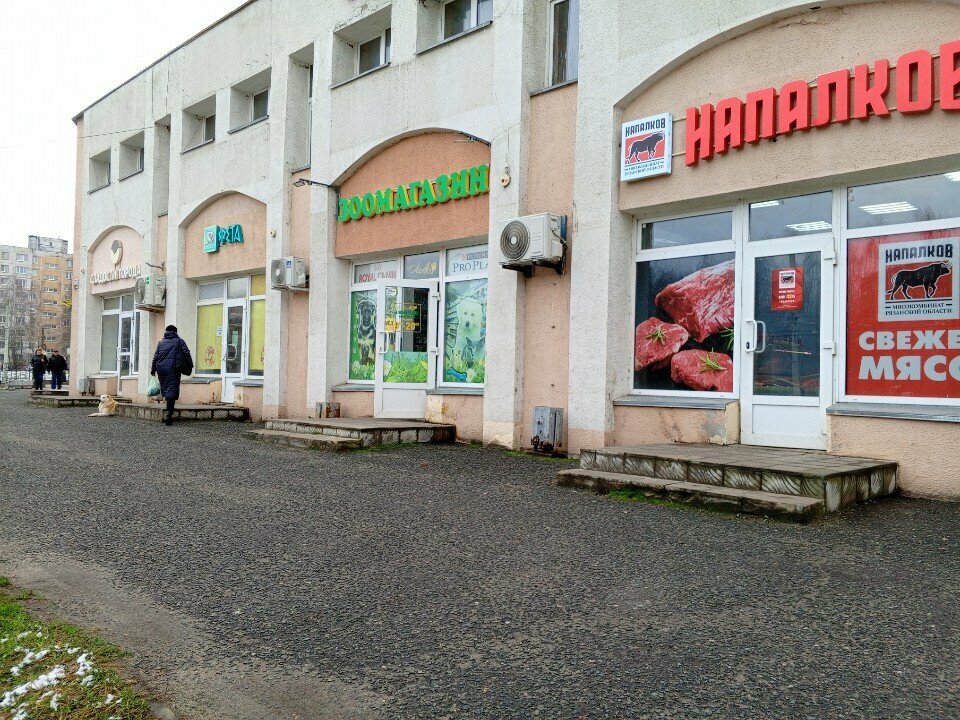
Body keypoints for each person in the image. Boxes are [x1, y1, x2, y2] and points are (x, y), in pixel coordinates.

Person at [150, 325, 194, 426]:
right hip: (173, 368)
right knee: (172, 390)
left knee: (167, 388)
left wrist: (153, 369)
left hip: (161, 368)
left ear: (166, 332)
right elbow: (186, 353)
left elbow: (155, 357)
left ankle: (168, 410)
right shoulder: (179, 341)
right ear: (175, 332)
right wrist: (190, 366)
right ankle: (169, 413)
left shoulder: (161, 342)